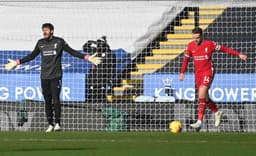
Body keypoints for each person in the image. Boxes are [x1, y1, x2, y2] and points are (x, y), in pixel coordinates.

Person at [5, 23, 101, 132]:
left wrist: (87, 57)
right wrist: (17, 62)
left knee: (56, 99)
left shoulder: (59, 42)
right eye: (43, 30)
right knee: (47, 101)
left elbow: (72, 52)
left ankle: (58, 123)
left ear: (52, 31)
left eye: (46, 30)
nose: (44, 32)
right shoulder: (40, 43)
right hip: (44, 76)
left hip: (56, 76)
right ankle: (50, 124)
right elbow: (32, 56)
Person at [179, 27, 247, 128]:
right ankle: (216, 112)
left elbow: (224, 49)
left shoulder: (209, 44)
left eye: (197, 38)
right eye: (194, 38)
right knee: (205, 97)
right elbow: (186, 60)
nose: (195, 40)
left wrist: (238, 54)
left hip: (208, 71)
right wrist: (182, 73)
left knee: (201, 92)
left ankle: (199, 121)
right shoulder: (190, 46)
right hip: (198, 74)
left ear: (201, 36)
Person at [83, 36, 116, 103]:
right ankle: (91, 102)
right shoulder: (96, 52)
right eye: (98, 44)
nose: (99, 46)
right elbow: (85, 48)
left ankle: (102, 102)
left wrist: (110, 78)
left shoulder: (110, 54)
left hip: (103, 77)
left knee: (101, 95)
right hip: (94, 76)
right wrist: (90, 42)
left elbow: (112, 67)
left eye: (100, 44)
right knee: (92, 93)